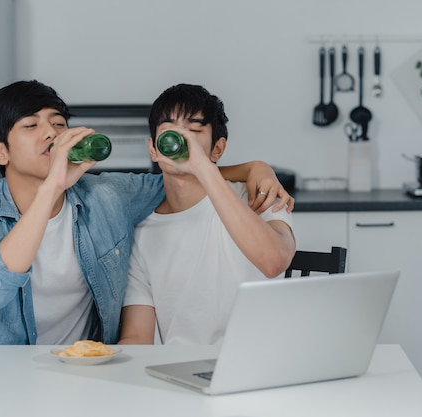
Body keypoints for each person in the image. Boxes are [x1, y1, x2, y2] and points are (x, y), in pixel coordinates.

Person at [0, 80, 294, 345]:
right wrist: (51, 188)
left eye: (57, 123)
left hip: (78, 374)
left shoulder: (105, 196)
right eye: (31, 126)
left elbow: (181, 175)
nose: (51, 133)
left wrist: (254, 168)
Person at [118, 84, 296, 345]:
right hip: (182, 372)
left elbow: (274, 261)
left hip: (260, 365)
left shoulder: (258, 194)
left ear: (218, 149)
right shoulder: (142, 230)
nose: (181, 139)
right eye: (169, 130)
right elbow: (137, 336)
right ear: (154, 148)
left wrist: (202, 166)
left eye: (194, 130)